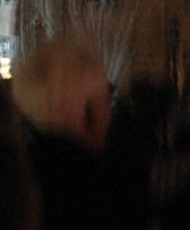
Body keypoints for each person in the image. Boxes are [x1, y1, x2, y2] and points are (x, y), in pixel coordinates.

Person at [11, 34, 119, 230]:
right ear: (86, 109)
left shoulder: (11, 180)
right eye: (106, 97)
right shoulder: (93, 189)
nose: (111, 111)